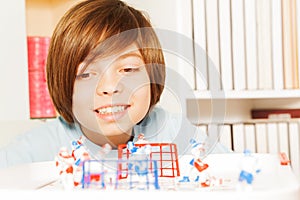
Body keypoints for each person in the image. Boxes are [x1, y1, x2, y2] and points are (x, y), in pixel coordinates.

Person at [0, 0, 228, 169]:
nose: (109, 87)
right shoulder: (32, 152)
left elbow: (234, 174)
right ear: (63, 84)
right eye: (87, 74)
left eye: (128, 70)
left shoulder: (179, 134)